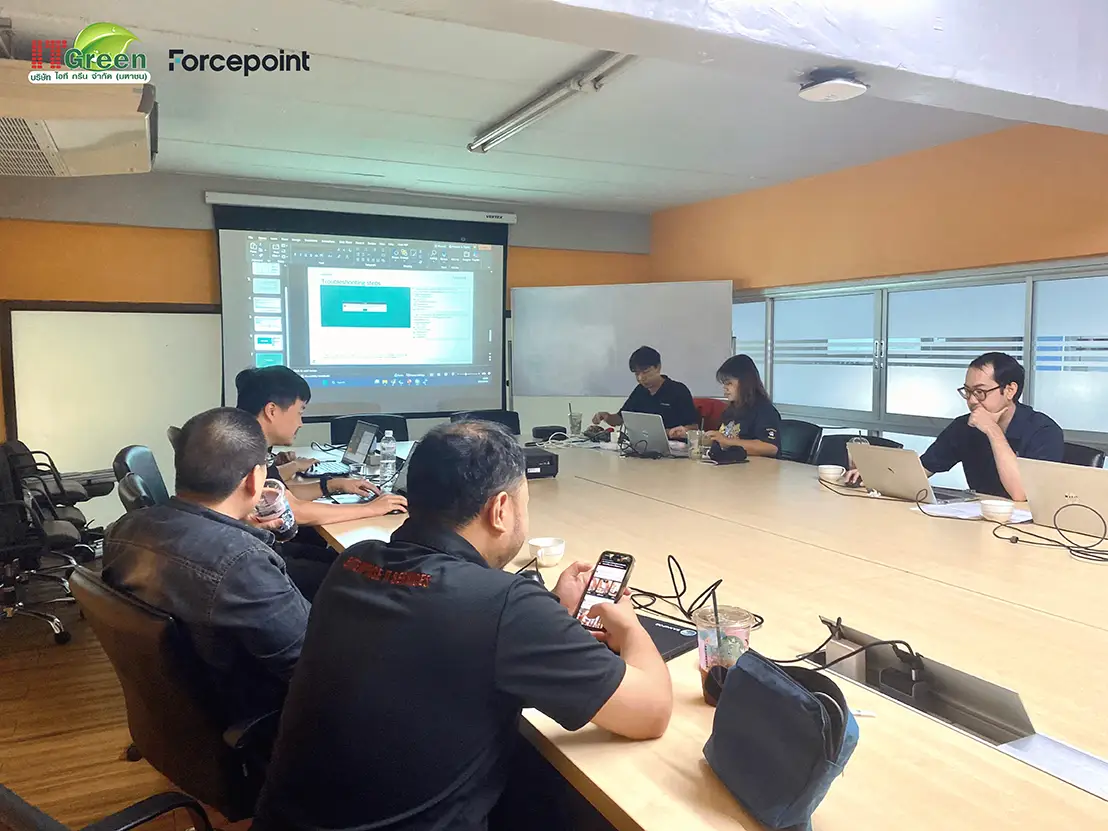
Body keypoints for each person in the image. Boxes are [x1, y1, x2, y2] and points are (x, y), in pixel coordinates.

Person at [252, 420, 673, 831]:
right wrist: (630, 627)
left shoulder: (354, 562)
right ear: (501, 510)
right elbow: (651, 711)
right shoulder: (506, 607)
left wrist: (551, 613)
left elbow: (447, 629)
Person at [102, 407, 311, 728]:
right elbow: (312, 665)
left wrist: (239, 530)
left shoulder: (122, 529)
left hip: (176, 712)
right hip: (256, 715)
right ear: (254, 479)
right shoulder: (243, 563)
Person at [846, 352, 1063, 500]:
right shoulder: (964, 426)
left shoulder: (1043, 431)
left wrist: (992, 431)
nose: (972, 401)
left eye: (980, 392)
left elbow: (1020, 493)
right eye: (967, 391)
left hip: (1027, 529)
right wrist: (875, 475)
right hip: (976, 521)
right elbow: (922, 470)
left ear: (1009, 390)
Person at [235, 365, 408, 525]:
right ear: (272, 411)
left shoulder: (245, 442)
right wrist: (371, 509)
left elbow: (283, 495)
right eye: (299, 412)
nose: (301, 423)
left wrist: (332, 485)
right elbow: (294, 510)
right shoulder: (247, 453)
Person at [593, 346, 699, 439]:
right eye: (636, 374)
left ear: (658, 367)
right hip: (643, 445)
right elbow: (620, 419)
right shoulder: (640, 391)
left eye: (645, 372)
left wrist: (677, 431)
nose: (641, 378)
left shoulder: (678, 390)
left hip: (675, 447)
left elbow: (694, 427)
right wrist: (606, 416)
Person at [694, 354, 782, 457]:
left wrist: (727, 442)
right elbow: (724, 442)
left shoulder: (764, 410)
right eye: (724, 384)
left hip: (757, 466)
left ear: (745, 382)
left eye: (729, 383)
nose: (725, 388)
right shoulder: (730, 411)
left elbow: (770, 447)